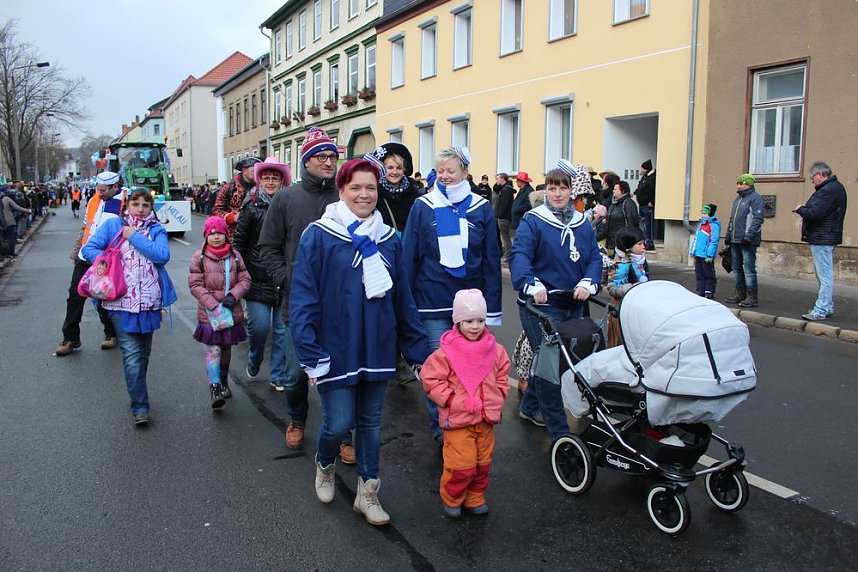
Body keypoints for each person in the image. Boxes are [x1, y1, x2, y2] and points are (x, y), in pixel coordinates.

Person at [289, 158, 430, 526]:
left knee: (369, 423)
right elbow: (303, 297)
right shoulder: (318, 235)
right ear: (342, 190)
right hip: (333, 348)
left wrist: (417, 352)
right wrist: (309, 350)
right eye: (356, 187)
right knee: (338, 423)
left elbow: (403, 299)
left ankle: (368, 493)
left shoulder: (389, 239)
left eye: (370, 188)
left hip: (377, 345)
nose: (364, 194)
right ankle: (324, 464)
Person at [403, 146, 502, 442]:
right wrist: (405, 303)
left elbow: (490, 260)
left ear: (465, 173)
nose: (444, 177)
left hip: (469, 303)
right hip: (432, 299)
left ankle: (463, 418)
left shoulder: (480, 208)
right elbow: (410, 255)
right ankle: (442, 429)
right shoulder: (424, 206)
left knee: (466, 368)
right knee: (438, 366)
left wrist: (492, 306)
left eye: (451, 171)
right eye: (441, 171)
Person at [258, 126, 343, 454]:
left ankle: (344, 435)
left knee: (340, 373)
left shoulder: (343, 195)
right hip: (298, 303)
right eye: (320, 157)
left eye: (332, 157)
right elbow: (268, 247)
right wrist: (286, 279)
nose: (328, 162)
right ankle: (296, 418)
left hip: (338, 304)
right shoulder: (286, 198)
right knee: (294, 374)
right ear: (306, 161)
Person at [509, 167, 601, 441]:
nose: (558, 193)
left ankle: (531, 405)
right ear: (546, 190)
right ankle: (559, 429)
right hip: (542, 303)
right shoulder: (534, 220)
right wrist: (531, 283)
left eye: (563, 188)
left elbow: (594, 257)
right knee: (552, 361)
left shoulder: (582, 222)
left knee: (554, 359)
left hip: (573, 301)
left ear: (571, 190)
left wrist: (588, 281)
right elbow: (520, 255)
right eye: (552, 188)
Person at [80, 188, 177, 426]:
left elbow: (162, 255)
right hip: (119, 302)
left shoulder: (156, 230)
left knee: (143, 355)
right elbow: (89, 249)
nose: (141, 209)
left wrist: (134, 236)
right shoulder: (113, 226)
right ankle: (140, 407)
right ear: (127, 206)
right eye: (136, 204)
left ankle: (137, 390)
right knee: (132, 356)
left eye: (145, 205)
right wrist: (104, 262)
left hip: (149, 303)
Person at [420, 289, 511, 518]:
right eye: (468, 321)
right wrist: (451, 400)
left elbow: (503, 374)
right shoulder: (447, 352)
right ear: (457, 321)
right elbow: (430, 378)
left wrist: (499, 394)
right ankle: (452, 497)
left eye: (480, 320)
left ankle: (475, 497)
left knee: (482, 464)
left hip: (486, 419)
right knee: (461, 465)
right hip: (459, 420)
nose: (475, 326)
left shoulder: (495, 350)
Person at [234, 157, 296, 392]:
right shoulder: (251, 206)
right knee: (259, 327)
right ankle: (255, 357)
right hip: (257, 277)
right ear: (260, 180)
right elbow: (239, 242)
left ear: (282, 181)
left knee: (281, 331)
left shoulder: (289, 205)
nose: (270, 182)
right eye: (267, 178)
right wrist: (239, 272)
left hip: (282, 276)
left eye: (275, 178)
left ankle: (277, 375)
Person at [56, 171, 122, 356]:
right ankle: (70, 338)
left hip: (108, 259)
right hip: (86, 257)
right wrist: (76, 251)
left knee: (102, 297)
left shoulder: (124, 201)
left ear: (114, 187)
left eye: (103, 190)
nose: (99, 192)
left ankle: (111, 334)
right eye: (98, 189)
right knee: (74, 295)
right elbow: (86, 227)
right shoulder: (94, 200)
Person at [188, 216, 251, 409]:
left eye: (220, 233)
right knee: (213, 349)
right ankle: (214, 386)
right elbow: (195, 284)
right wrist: (212, 304)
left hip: (230, 313)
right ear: (206, 236)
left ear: (226, 234)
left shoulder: (235, 256)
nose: (216, 237)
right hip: (209, 314)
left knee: (226, 350)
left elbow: (245, 279)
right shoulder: (199, 257)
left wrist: (234, 296)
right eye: (212, 233)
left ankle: (223, 381)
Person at [794, 161, 848, 321]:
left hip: (824, 237)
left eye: (812, 178)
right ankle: (827, 306)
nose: (812, 181)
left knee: (824, 276)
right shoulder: (832, 188)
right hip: (824, 236)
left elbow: (815, 213)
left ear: (821, 175)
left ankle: (821, 309)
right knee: (822, 275)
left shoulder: (829, 190)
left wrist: (800, 209)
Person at [725, 173, 765, 308]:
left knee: (749, 269)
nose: (739, 185)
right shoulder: (737, 199)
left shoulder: (755, 199)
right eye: (738, 183)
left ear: (749, 184)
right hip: (735, 239)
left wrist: (749, 236)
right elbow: (732, 219)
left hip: (748, 240)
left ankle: (752, 295)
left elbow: (757, 219)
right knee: (736, 268)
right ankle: (740, 292)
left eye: (742, 183)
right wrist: (728, 234)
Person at [363, 142, 419, 234]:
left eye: (399, 168)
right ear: (383, 169)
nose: (395, 172)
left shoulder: (414, 193)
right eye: (390, 168)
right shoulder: (375, 193)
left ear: (404, 170)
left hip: (409, 245)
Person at [213, 156, 262, 240]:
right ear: (244, 171)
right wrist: (232, 217)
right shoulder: (230, 187)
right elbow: (216, 210)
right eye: (253, 171)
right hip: (234, 236)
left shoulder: (262, 187)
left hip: (256, 236)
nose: (256, 174)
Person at [608, 226, 650, 299]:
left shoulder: (641, 260)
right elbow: (612, 288)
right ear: (628, 246)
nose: (643, 247)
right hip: (622, 304)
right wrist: (631, 288)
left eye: (643, 243)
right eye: (639, 244)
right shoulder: (618, 264)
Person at [689, 204, 721, 298]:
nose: (702, 215)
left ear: (710, 214)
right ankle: (700, 291)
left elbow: (713, 241)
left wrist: (710, 255)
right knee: (699, 273)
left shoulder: (714, 225)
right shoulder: (701, 225)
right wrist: (693, 252)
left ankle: (709, 291)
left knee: (708, 274)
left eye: (705, 213)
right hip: (698, 254)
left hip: (706, 255)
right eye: (702, 213)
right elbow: (696, 239)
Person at [605, 180, 640, 255]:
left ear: (622, 191)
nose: (613, 191)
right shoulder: (614, 203)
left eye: (615, 189)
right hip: (612, 242)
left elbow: (632, 222)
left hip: (623, 242)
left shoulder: (628, 203)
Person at [1, 187, 32, 259]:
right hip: (10, 221)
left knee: (5, 238)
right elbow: (17, 207)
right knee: (11, 237)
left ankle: (6, 253)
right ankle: (9, 253)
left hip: (2, 222)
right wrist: (28, 211)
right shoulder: (7, 199)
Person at [493, 173, 515, 263]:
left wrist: (499, 215)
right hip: (502, 217)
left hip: (504, 217)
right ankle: (506, 254)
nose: (496, 180)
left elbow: (504, 204)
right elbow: (495, 188)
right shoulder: (504, 188)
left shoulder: (506, 190)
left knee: (505, 237)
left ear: (502, 178)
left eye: (498, 178)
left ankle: (508, 255)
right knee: (504, 237)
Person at [636, 159, 657, 251]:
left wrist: (652, 201)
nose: (640, 170)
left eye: (642, 168)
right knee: (643, 225)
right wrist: (634, 192)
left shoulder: (652, 178)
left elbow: (654, 191)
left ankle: (650, 242)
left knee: (649, 225)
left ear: (646, 169)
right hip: (642, 204)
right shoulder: (644, 177)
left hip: (648, 205)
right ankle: (644, 242)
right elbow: (640, 188)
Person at [510, 171, 535, 241]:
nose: (516, 182)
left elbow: (528, 205)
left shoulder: (529, 191)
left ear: (522, 181)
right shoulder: (522, 190)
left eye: (517, 180)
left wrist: (517, 210)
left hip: (521, 221)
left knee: (520, 240)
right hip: (516, 221)